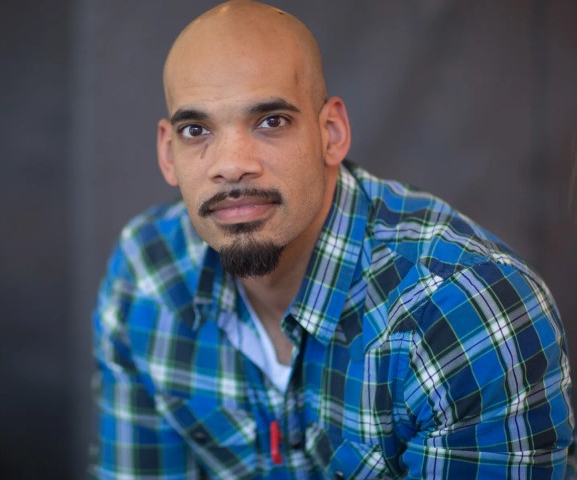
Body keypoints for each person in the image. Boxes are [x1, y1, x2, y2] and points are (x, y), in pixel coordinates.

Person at [92, 1, 574, 478]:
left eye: (271, 121)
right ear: (168, 153)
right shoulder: (148, 273)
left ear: (332, 133)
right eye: (196, 130)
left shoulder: (462, 310)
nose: (231, 163)